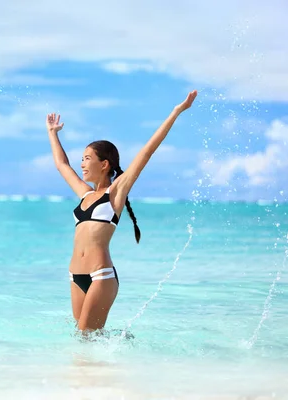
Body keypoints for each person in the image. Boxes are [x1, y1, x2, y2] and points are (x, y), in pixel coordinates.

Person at [46, 90, 198, 333]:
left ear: (104, 164)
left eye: (87, 159)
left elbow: (146, 152)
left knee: (84, 337)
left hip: (101, 276)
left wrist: (176, 112)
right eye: (81, 159)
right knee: (85, 339)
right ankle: (119, 355)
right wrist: (52, 134)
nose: (82, 164)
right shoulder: (85, 194)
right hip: (75, 276)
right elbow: (61, 165)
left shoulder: (115, 194)